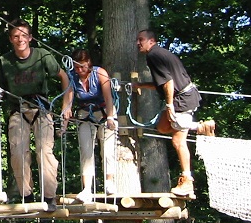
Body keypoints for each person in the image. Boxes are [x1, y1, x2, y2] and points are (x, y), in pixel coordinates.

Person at [0, 19, 72, 206]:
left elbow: (64, 77)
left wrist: (66, 107)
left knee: (44, 152)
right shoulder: (4, 61)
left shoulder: (42, 55)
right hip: (17, 110)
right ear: (11, 39)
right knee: (18, 154)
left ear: (30, 37)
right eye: (16, 36)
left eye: (23, 35)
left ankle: (48, 197)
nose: (20, 39)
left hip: (41, 108)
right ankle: (27, 195)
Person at [134, 29, 216, 198]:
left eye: (141, 40)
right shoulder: (161, 53)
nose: (138, 43)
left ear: (151, 41)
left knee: (178, 141)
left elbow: (168, 82)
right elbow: (161, 83)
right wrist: (140, 85)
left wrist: (170, 105)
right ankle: (199, 127)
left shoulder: (153, 56)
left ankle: (187, 181)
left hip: (182, 99)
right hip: (186, 95)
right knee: (163, 127)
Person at [61, 49, 117, 203]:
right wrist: (64, 125)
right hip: (85, 114)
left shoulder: (100, 73)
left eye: (83, 67)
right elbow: (68, 101)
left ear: (89, 64)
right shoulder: (72, 76)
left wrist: (111, 117)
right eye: (77, 67)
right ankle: (87, 188)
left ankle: (109, 182)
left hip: (104, 111)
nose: (80, 70)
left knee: (108, 149)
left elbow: (108, 96)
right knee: (86, 151)